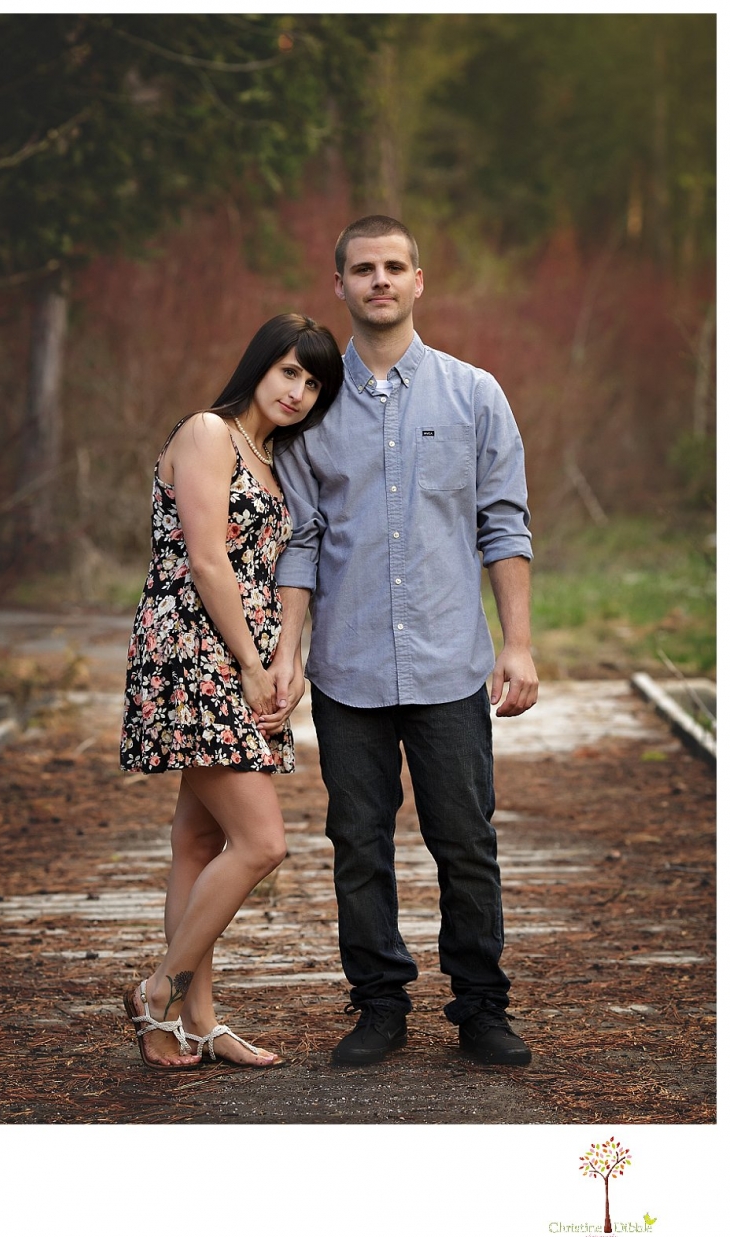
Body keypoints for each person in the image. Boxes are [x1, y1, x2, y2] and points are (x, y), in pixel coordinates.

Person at [260, 216, 539, 1067]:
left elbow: (504, 523)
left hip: (452, 663)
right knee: (359, 841)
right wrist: (287, 650)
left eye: (393, 266)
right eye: (361, 269)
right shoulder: (313, 406)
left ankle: (482, 1005)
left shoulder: (475, 394)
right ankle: (379, 1003)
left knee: (466, 838)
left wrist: (517, 644)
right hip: (348, 670)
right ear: (338, 285)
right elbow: (300, 539)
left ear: (420, 280)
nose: (379, 280)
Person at [119, 313, 343, 1070]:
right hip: (192, 649)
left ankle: (192, 1022)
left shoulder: (269, 456)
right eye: (289, 372)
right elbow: (209, 561)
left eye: (313, 383)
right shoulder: (209, 433)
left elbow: (276, 571)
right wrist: (250, 661)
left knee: (200, 838)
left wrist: (287, 655)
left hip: (236, 650)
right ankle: (160, 990)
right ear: (258, 365)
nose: (300, 391)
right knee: (262, 840)